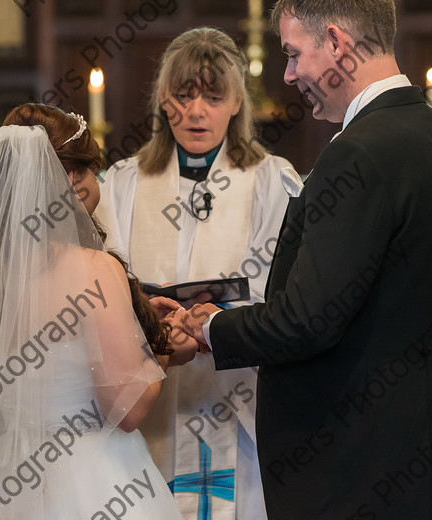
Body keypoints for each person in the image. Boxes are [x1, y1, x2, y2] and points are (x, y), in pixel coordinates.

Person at [181, 1, 432, 518]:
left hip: (357, 465)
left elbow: (308, 319)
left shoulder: (358, 152)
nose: (289, 74)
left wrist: (213, 327)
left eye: (295, 54)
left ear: (337, 44)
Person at [0, 103, 197, 519]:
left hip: (5, 477)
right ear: (74, 178)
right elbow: (128, 410)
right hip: (94, 478)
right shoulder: (96, 270)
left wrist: (131, 320)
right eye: (94, 169)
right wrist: (165, 349)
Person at [95, 27, 292, 520]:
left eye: (212, 95)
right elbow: (105, 283)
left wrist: (211, 326)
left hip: (236, 394)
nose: (197, 111)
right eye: (184, 95)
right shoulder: (124, 183)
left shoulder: (272, 181)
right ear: (164, 101)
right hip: (152, 395)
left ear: (236, 104)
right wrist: (156, 328)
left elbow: (281, 284)